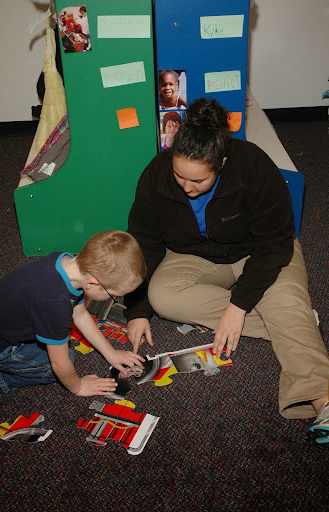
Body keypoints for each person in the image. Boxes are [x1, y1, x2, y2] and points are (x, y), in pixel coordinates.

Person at [124, 97, 329, 443]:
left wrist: (238, 305)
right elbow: (144, 242)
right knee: (162, 295)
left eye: (198, 181)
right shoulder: (156, 174)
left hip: (260, 252)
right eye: (179, 176)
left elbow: (276, 242)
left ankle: (323, 399)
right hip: (197, 255)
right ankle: (292, 320)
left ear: (221, 162)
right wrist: (138, 308)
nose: (186, 188)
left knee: (279, 299)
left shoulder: (253, 166)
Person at [0, 231, 145, 396]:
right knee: (62, 363)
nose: (114, 299)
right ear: (92, 284)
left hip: (2, 320)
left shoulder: (65, 261)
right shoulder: (54, 304)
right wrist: (78, 387)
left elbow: (80, 315)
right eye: (115, 296)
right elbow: (59, 363)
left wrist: (110, 352)